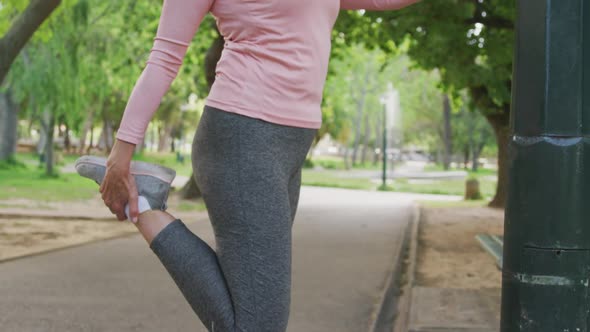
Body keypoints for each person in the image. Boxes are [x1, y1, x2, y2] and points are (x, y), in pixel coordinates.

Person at [76, 1, 419, 331]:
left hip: (288, 149)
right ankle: (146, 206)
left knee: (252, 310)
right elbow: (164, 58)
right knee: (260, 323)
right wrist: (121, 154)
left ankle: (148, 198)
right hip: (242, 137)